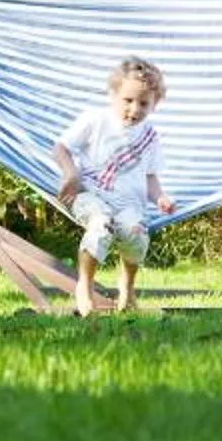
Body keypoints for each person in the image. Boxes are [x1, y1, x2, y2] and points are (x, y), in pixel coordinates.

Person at [51, 57, 178, 316]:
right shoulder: (95, 120)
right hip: (89, 194)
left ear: (155, 104)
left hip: (129, 205)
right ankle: (84, 287)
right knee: (101, 225)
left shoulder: (149, 136)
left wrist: (161, 197)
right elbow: (61, 147)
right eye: (128, 100)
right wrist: (71, 173)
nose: (134, 109)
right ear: (113, 94)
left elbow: (150, 177)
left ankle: (127, 289)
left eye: (144, 103)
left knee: (137, 235)